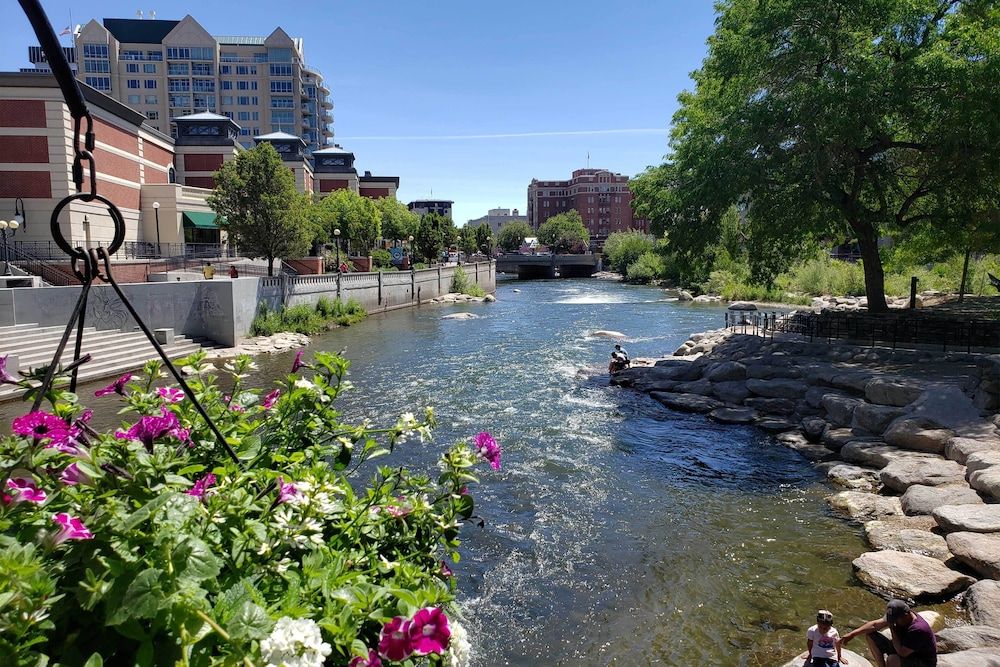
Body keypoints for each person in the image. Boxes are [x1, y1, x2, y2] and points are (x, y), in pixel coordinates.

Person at [840, 600, 936, 667]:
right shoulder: (899, 615)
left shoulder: (918, 629)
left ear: (906, 615)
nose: (893, 622)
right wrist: (852, 634)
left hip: (922, 661)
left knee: (892, 659)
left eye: (894, 620)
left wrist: (892, 628)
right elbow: (874, 625)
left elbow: (902, 653)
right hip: (903, 648)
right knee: (871, 635)